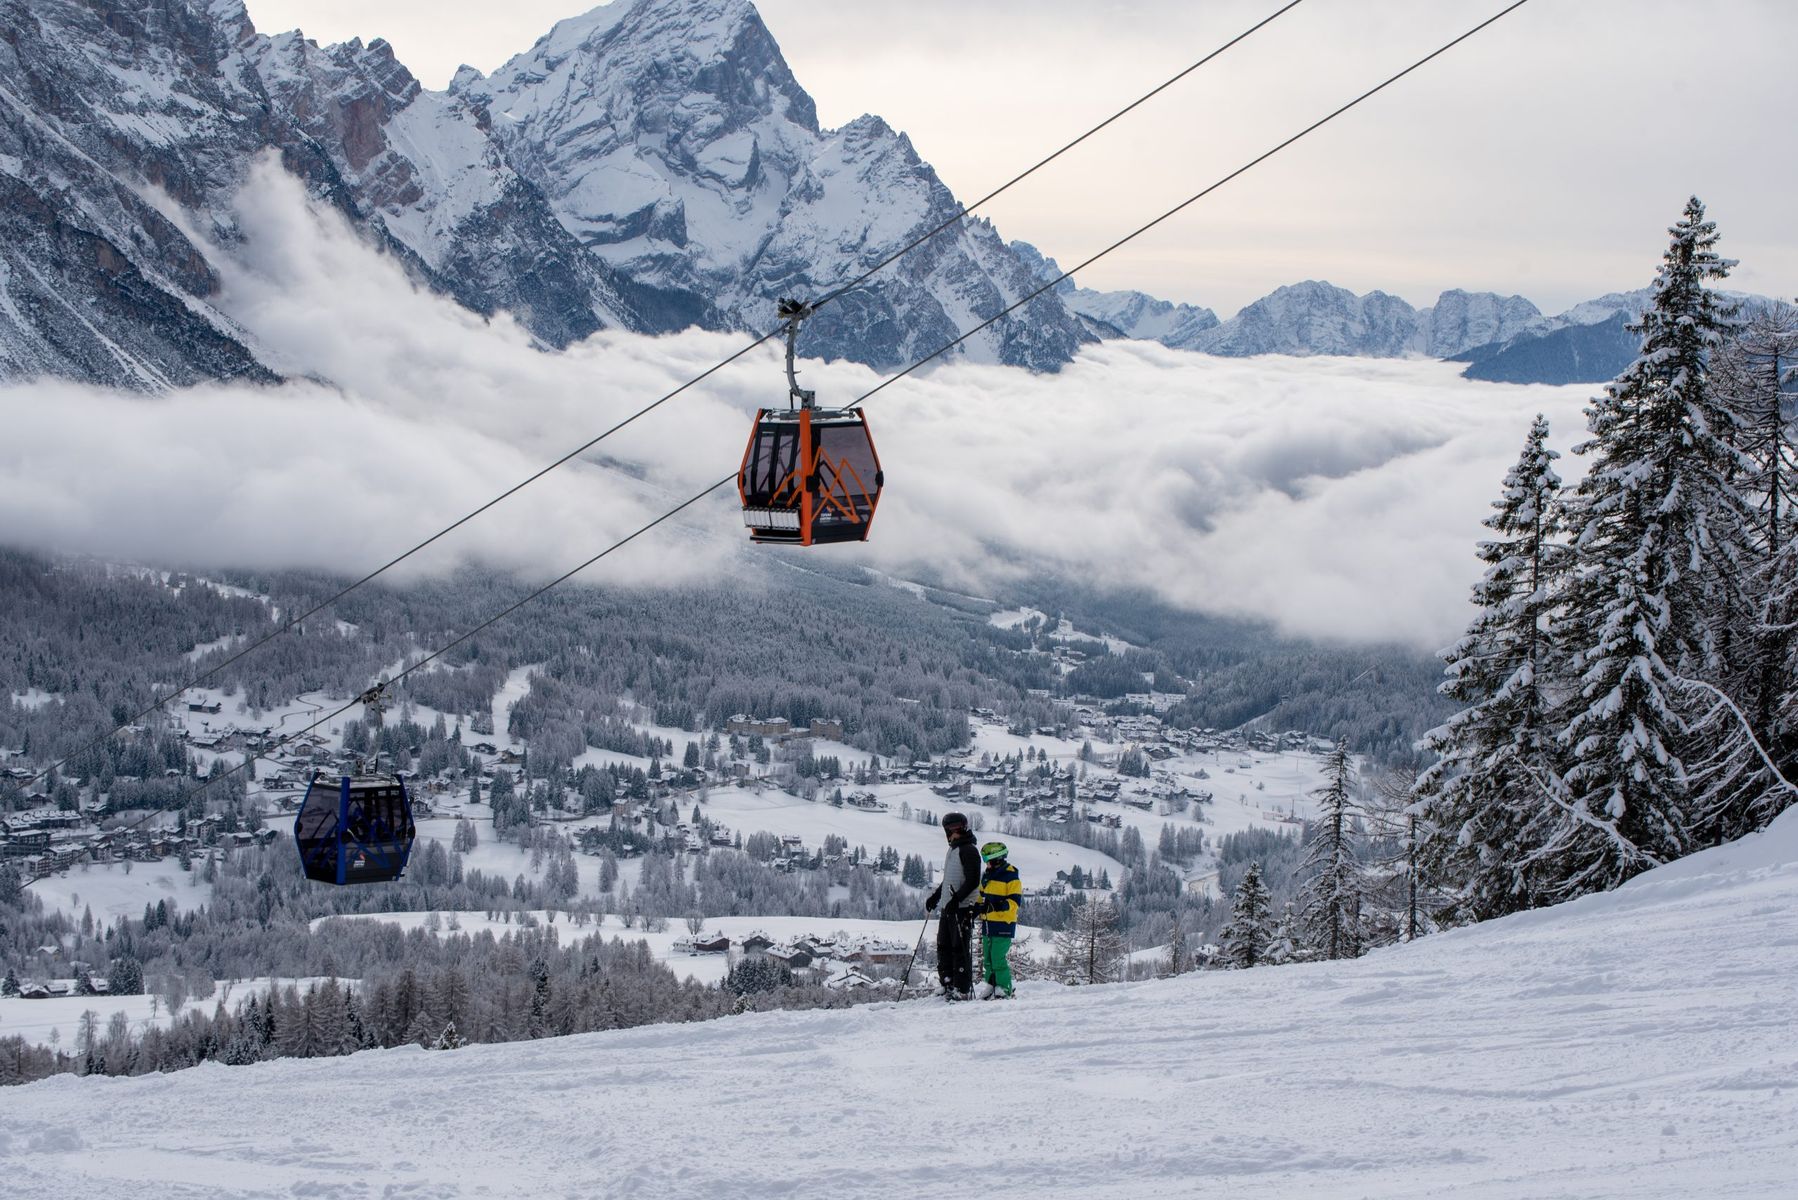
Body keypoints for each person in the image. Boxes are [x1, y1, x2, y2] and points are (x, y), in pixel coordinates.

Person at [925, 811, 982, 1000]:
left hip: (963, 908)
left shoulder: (969, 850)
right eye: (950, 829)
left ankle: (961, 989)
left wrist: (957, 900)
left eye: (956, 828)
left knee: (959, 948)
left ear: (963, 828)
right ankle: (947, 983)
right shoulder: (954, 849)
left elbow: (973, 880)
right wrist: (936, 897)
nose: (953, 832)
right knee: (943, 945)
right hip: (948, 907)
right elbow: (950, 879)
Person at [976, 841, 1020, 999]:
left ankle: (1004, 989)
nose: (986, 864)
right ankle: (991, 985)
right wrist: (976, 908)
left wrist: (994, 907)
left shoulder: (1011, 876)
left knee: (997, 958)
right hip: (988, 923)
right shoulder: (987, 876)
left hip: (1003, 924)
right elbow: (981, 896)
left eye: (987, 860)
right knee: (987, 958)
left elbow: (1014, 903)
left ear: (997, 859)